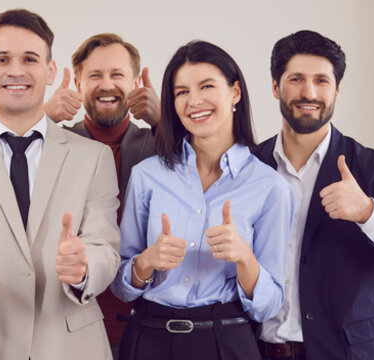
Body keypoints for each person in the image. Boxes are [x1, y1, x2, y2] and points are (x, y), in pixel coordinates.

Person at [0, 9, 120, 360]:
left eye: (29, 59)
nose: (16, 70)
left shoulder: (94, 157)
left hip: (70, 345)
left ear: (50, 71)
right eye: (2, 60)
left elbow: (105, 249)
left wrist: (85, 266)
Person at [253, 30, 374, 360]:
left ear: (337, 90)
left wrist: (369, 213)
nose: (309, 92)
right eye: (296, 79)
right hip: (258, 351)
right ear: (276, 86)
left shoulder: (372, 168)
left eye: (321, 81)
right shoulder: (250, 166)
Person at [109, 40, 293, 360]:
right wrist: (146, 262)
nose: (194, 101)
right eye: (181, 92)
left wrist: (244, 258)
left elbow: (267, 306)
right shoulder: (147, 175)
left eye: (206, 86)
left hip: (226, 340)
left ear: (235, 92)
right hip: (147, 338)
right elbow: (121, 286)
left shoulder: (270, 187)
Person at [43, 33, 157, 353]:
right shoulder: (52, 142)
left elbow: (205, 163)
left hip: (146, 328)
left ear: (136, 83)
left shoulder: (160, 144)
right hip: (68, 325)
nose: (107, 84)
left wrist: (164, 122)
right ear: (78, 84)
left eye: (117, 75)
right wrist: (42, 118)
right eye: (95, 75)